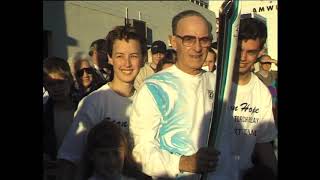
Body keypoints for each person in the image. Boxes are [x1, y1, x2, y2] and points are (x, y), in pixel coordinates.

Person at [129, 10, 220, 179]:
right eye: (189, 39)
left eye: (204, 40)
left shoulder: (217, 84)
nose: (198, 47)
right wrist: (183, 163)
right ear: (173, 42)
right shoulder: (155, 88)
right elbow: (140, 151)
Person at [57, 25, 148, 180]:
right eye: (120, 56)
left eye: (133, 55)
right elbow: (69, 159)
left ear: (143, 59)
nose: (127, 63)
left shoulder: (148, 101)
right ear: (110, 58)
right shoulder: (93, 102)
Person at [214, 17, 278, 179]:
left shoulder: (262, 93)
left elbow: (264, 144)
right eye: (238, 50)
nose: (242, 58)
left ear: (260, 52)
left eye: (250, 52)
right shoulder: (211, 84)